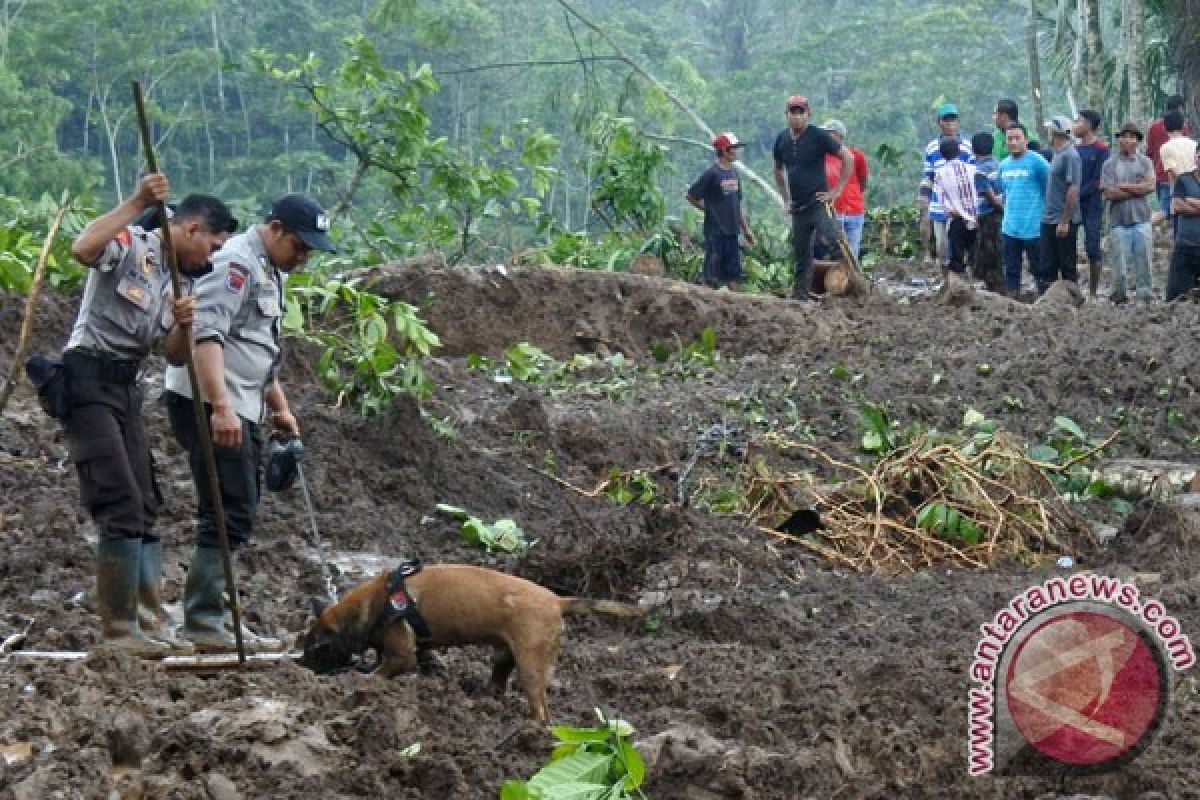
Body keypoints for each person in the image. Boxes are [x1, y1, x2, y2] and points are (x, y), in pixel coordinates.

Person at [63, 174, 235, 657]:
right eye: (213, 245)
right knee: (117, 497)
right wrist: (138, 200)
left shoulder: (176, 278)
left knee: (144, 501)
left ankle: (147, 621)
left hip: (126, 385)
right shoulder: (131, 245)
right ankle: (119, 632)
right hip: (87, 379)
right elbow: (82, 249)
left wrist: (185, 325)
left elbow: (175, 356)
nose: (213, 257)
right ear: (193, 229)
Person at [163, 193, 335, 652]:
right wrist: (220, 406)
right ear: (275, 228)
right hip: (211, 400)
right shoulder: (235, 263)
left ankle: (216, 615)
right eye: (299, 245)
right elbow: (206, 333)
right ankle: (203, 621)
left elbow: (256, 347)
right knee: (226, 506)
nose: (303, 256)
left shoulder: (268, 269)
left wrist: (279, 407)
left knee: (239, 503)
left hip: (242, 401)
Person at [773, 94, 854, 300]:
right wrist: (786, 199)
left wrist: (836, 191)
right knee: (801, 256)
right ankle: (800, 297)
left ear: (808, 114)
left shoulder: (818, 136)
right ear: (787, 114)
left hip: (818, 203)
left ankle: (856, 287)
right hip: (799, 209)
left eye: (801, 112)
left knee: (837, 242)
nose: (797, 117)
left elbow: (848, 157)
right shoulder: (782, 139)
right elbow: (778, 169)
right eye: (793, 112)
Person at [686, 132, 756, 290]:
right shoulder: (712, 174)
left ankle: (734, 305)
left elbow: (737, 204)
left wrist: (746, 229)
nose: (737, 151)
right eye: (734, 148)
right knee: (711, 272)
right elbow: (691, 195)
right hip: (715, 231)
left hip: (732, 231)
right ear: (725, 151)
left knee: (733, 273)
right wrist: (708, 209)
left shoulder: (734, 173)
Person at [1100, 122, 1156, 304]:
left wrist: (1123, 186)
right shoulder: (1109, 164)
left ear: (1138, 141)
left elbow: (1150, 186)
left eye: (1132, 136)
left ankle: (1145, 297)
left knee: (1144, 263)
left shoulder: (1145, 162)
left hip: (1142, 219)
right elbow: (1109, 192)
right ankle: (1119, 297)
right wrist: (1137, 188)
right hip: (1118, 221)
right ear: (1118, 139)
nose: (1127, 140)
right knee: (1119, 266)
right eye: (1124, 136)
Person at [919, 102, 974, 273]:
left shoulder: (967, 146)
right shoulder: (932, 147)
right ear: (939, 123)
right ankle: (945, 276)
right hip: (939, 201)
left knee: (961, 241)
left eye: (953, 120)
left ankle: (962, 276)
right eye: (946, 120)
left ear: (958, 123)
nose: (950, 124)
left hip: (962, 203)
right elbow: (929, 174)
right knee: (942, 243)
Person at [998, 124, 1049, 296]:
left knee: (1039, 269)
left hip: (1034, 227)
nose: (1013, 142)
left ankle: (1044, 300)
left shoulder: (1039, 163)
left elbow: (1048, 191)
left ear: (1026, 139)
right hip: (1010, 227)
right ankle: (1013, 301)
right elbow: (1004, 193)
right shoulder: (1003, 165)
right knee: (1011, 269)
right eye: (1009, 139)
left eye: (1017, 138)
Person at [1040, 115, 1083, 291]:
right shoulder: (1057, 154)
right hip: (1049, 218)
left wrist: (1065, 220)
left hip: (1062, 220)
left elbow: (1073, 189)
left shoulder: (1070, 156)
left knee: (1067, 265)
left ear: (1055, 133)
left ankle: (1072, 301)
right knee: (1048, 264)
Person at [1073, 110, 1111, 297]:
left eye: (1078, 121)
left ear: (1089, 125)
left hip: (1092, 203)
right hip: (1072, 203)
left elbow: (1099, 180)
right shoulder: (1073, 149)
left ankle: (1093, 292)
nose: (1075, 124)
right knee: (1067, 243)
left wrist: (1079, 192)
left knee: (1092, 245)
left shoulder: (1102, 149)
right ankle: (1071, 288)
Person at [821, 119, 869, 260]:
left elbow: (863, 180)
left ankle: (850, 281)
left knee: (852, 255)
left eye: (827, 133)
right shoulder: (821, 157)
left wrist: (853, 195)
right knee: (834, 254)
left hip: (854, 211)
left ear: (838, 135)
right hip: (832, 212)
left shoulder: (856, 155)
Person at [930, 137, 979, 276]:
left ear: (942, 154)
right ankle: (976, 277)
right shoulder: (972, 168)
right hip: (976, 218)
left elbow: (941, 198)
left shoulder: (940, 173)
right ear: (959, 151)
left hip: (956, 218)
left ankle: (959, 280)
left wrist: (949, 211)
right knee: (974, 249)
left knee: (957, 253)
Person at [1147, 95, 1191, 223]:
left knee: (1167, 209)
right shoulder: (1182, 127)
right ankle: (1144, 225)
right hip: (1178, 174)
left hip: (1160, 174)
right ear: (1179, 107)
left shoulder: (1154, 126)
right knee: (1170, 211)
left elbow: (1149, 152)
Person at [970, 131, 1005, 292]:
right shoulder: (999, 164)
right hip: (1000, 213)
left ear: (973, 149)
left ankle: (995, 287)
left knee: (989, 253)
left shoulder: (978, 171)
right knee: (998, 250)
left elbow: (988, 195)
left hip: (988, 215)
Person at [1166, 159, 1200, 300]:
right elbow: (1177, 205)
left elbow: (1183, 203)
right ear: (1196, 158)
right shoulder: (1184, 179)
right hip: (1187, 244)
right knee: (1177, 296)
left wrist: (1191, 200)